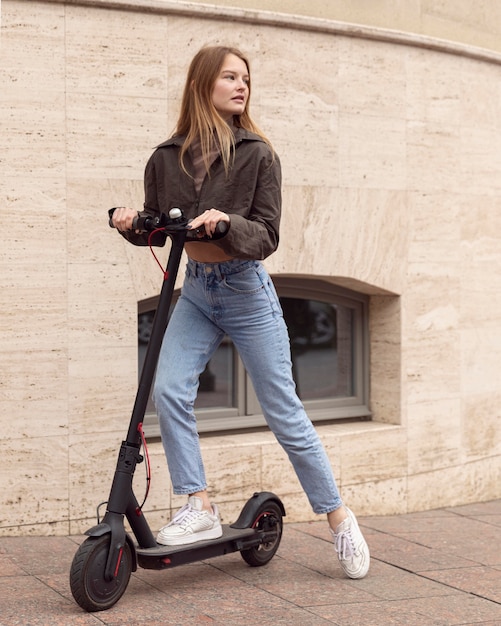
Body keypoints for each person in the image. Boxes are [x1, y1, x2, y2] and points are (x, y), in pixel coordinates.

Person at [111, 45, 370, 579]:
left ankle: (340, 519)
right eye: (230, 76)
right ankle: (199, 506)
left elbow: (268, 235)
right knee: (168, 388)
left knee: (285, 414)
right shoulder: (165, 156)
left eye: (245, 78)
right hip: (198, 290)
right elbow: (162, 224)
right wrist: (133, 221)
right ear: (203, 83)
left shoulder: (258, 154)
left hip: (246, 290)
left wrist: (226, 223)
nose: (241, 85)